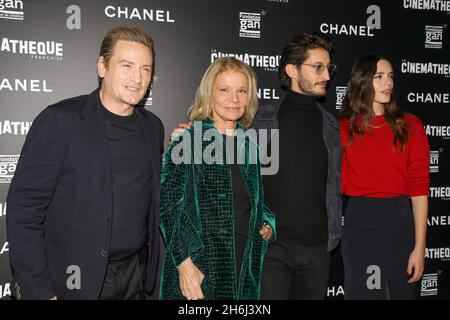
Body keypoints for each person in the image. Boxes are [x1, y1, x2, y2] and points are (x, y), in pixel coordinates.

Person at [170, 33, 342, 300]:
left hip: (318, 250)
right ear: (291, 70)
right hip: (270, 252)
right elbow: (217, 136)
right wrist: (190, 133)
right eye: (318, 67)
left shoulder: (331, 126)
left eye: (328, 68)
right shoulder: (260, 123)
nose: (327, 75)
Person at [6, 26, 164, 300]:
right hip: (74, 278)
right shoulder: (60, 121)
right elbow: (24, 210)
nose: (138, 78)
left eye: (146, 69)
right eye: (127, 66)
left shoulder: (153, 128)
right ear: (102, 66)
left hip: (133, 275)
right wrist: (40, 291)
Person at [159, 57, 276, 300]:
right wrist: (185, 263)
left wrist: (267, 224)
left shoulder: (251, 146)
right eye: (224, 90)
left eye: (242, 91)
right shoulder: (188, 140)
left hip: (244, 269)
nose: (234, 99)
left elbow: (248, 201)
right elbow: (167, 206)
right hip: (200, 269)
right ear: (209, 94)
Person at [339, 55, 429, 299]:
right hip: (359, 222)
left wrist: (419, 247)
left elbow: (420, 189)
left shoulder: (410, 126)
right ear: (362, 81)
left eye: (390, 76)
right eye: (378, 77)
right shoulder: (343, 128)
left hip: (399, 222)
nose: (387, 83)